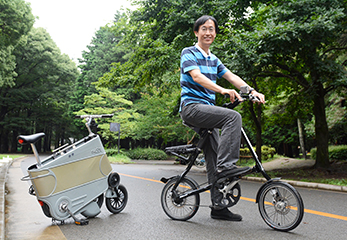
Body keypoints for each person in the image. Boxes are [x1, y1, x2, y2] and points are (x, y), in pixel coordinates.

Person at [179, 15, 265, 221]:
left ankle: (218, 206)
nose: (208, 32)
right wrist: (222, 91)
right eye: (204, 29)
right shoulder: (188, 53)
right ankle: (227, 166)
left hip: (207, 112)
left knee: (212, 157)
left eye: (212, 29)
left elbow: (232, 77)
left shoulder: (213, 59)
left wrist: (252, 91)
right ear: (196, 32)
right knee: (232, 117)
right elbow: (197, 77)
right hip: (192, 108)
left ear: (215, 33)